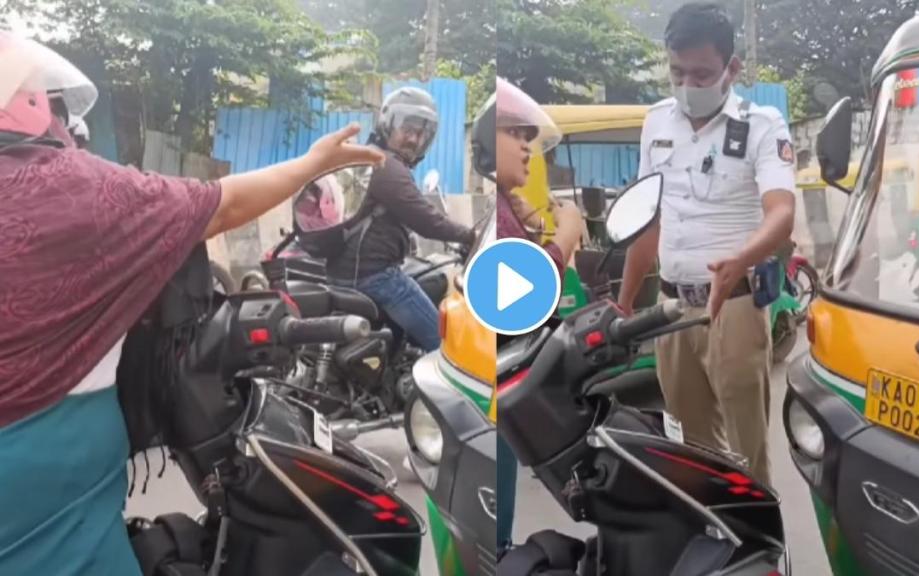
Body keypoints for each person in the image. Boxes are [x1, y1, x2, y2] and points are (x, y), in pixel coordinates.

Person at [0, 33, 384, 576]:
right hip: (49, 497)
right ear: (33, 104)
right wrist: (311, 163)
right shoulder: (65, 188)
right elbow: (219, 205)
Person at [617, 3, 796, 486]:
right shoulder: (656, 123)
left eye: (702, 74)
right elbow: (648, 218)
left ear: (731, 70)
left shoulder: (761, 126)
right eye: (677, 73)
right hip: (671, 309)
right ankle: (712, 540)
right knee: (690, 448)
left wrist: (741, 260)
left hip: (734, 308)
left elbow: (781, 211)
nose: (688, 86)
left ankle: (766, 549)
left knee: (746, 449)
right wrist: (627, 299)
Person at [471, 76, 585, 554]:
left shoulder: (504, 210)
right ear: (486, 142)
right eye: (515, 134)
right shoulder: (500, 215)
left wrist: (533, 227)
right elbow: (523, 297)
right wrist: (567, 236)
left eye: (529, 138)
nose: (526, 147)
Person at [326, 86, 476, 352]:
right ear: (388, 125)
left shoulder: (365, 156)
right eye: (408, 129)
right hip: (375, 276)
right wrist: (470, 235)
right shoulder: (386, 166)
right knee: (447, 346)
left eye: (421, 134)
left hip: (342, 272)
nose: (414, 139)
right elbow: (426, 220)